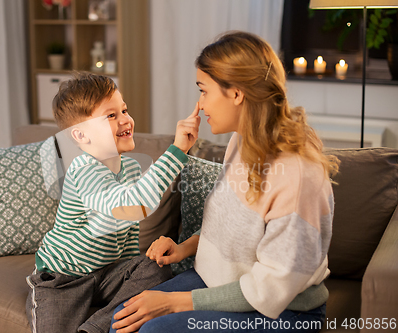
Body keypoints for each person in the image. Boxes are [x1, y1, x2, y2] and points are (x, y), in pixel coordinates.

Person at [110, 31, 340, 333]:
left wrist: (175, 302)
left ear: (236, 94)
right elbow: (232, 225)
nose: (200, 104)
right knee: (123, 319)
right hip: (222, 283)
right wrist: (186, 247)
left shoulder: (298, 175)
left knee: (153, 330)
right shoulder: (242, 142)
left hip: (283, 309)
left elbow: (272, 287)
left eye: (204, 91)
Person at [26, 73, 201, 333]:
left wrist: (131, 270)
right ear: (81, 136)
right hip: (64, 279)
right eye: (111, 115)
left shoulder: (130, 167)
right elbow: (129, 205)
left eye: (124, 110)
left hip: (108, 273)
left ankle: (96, 326)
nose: (125, 119)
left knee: (154, 267)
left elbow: (130, 229)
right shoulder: (83, 169)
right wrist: (177, 151)